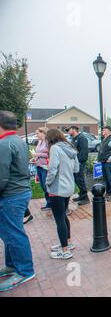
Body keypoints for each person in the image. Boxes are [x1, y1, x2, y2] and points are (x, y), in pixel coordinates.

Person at [0, 111, 35, 292]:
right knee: (9, 232)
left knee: (13, 233)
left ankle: (25, 270)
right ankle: (12, 265)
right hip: (20, 191)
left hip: (11, 195)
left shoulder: (4, 144)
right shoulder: (20, 142)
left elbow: (1, 177)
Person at [45, 129, 79, 260]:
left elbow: (53, 169)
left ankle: (64, 251)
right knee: (63, 216)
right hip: (69, 186)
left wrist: (48, 183)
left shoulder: (55, 148)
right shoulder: (70, 147)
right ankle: (67, 242)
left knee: (59, 218)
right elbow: (76, 168)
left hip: (57, 188)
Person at [67, 126, 89, 205]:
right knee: (76, 179)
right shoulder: (73, 139)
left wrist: (79, 162)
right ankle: (81, 195)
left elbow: (84, 151)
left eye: (68, 130)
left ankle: (85, 198)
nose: (67, 132)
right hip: (74, 163)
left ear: (73, 130)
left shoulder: (81, 138)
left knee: (80, 180)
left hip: (79, 163)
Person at [97, 126, 111, 201]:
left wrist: (110, 159)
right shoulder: (105, 139)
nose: (102, 131)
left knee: (110, 178)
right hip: (104, 162)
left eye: (104, 130)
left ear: (109, 131)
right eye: (102, 130)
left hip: (109, 163)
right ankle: (109, 193)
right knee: (106, 178)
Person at [32, 127, 51, 210]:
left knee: (46, 185)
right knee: (42, 186)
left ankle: (50, 203)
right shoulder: (40, 141)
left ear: (43, 133)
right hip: (38, 166)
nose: (36, 135)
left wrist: (38, 155)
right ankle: (48, 202)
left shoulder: (48, 142)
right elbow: (38, 152)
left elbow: (50, 154)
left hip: (45, 167)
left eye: (37, 133)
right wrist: (34, 158)